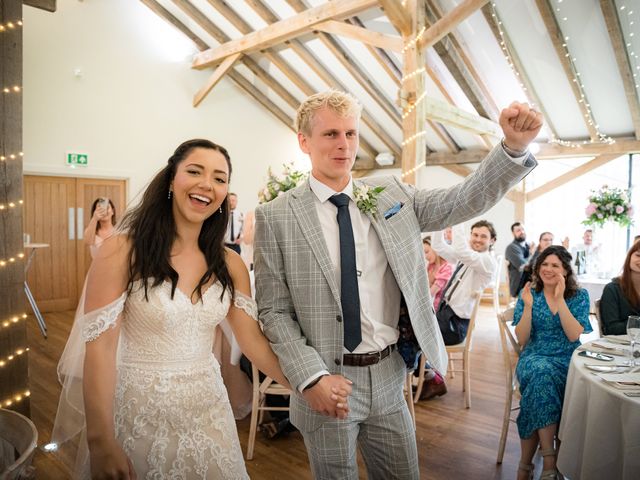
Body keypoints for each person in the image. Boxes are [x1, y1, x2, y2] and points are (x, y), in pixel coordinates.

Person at [254, 89, 541, 479]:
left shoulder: (392, 195)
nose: (344, 145)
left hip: (389, 374)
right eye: (331, 134)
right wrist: (312, 378)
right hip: (328, 380)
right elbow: (273, 310)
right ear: (304, 141)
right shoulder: (276, 216)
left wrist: (511, 147)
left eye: (351, 134)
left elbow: (463, 200)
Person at [50, 139, 349, 479]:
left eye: (220, 178)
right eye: (195, 171)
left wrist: (308, 385)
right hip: (139, 412)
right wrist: (101, 440)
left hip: (209, 412)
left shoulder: (230, 264)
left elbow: (252, 342)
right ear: (171, 179)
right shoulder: (122, 250)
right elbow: (100, 350)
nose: (208, 184)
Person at [513, 246, 591, 480]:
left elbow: (573, 335)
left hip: (567, 359)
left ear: (566, 271)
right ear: (537, 268)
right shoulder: (529, 294)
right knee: (540, 372)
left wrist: (559, 299)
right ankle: (550, 462)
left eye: (555, 265)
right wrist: (527, 306)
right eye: (544, 264)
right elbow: (523, 338)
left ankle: (525, 466)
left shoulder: (579, 296)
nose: (548, 269)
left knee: (540, 384)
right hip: (534, 356)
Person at [432, 221, 497, 345]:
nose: (478, 239)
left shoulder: (488, 261)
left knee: (414, 330)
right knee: (411, 322)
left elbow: (461, 251)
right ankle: (423, 362)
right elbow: (437, 245)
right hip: (444, 314)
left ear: (492, 240)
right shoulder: (467, 257)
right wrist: (440, 219)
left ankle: (421, 362)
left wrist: (459, 218)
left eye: (483, 236)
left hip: (455, 326)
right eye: (475, 235)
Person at [600, 241, 640, 335]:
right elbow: (611, 329)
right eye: (638, 255)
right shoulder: (612, 289)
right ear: (629, 257)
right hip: (621, 346)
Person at [422, 236, 453, 310]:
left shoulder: (447, 267)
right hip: (429, 305)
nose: (425, 256)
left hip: (438, 310)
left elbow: (430, 293)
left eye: (427, 252)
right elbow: (425, 286)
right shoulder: (431, 265)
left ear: (435, 249)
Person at [506, 222, 534, 298]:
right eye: (518, 230)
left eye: (523, 229)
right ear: (513, 233)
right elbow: (524, 266)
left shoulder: (529, 245)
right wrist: (532, 254)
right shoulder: (512, 248)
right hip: (519, 284)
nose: (522, 232)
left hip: (530, 280)